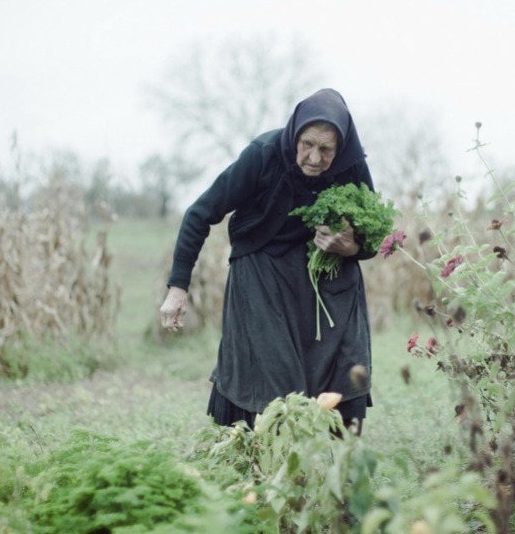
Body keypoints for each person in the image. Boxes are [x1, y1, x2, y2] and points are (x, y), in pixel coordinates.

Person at [159, 88, 377, 432]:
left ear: (342, 146)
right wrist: (178, 287)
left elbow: (371, 237)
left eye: (326, 149)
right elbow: (199, 214)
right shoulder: (263, 155)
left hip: (327, 278)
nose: (315, 158)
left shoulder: (352, 166)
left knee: (345, 363)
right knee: (278, 383)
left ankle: (340, 461)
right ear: (294, 134)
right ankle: (271, 458)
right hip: (263, 275)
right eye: (307, 144)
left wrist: (350, 247)